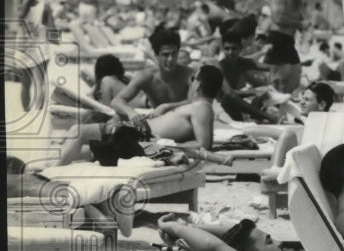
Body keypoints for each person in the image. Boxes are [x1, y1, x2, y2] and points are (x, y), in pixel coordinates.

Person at [60, 64, 225, 165]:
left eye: (193, 79)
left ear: (198, 85)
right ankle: (56, 168)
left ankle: (51, 173)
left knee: (78, 131)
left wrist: (165, 145)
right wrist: (166, 106)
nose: (191, 83)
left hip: (138, 138)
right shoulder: (197, 106)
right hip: (134, 134)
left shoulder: (202, 108)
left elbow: (204, 146)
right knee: (86, 147)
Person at [110, 28, 193, 123]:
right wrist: (131, 113)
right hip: (159, 123)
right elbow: (116, 101)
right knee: (117, 118)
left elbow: (198, 101)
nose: (170, 59)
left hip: (184, 122)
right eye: (165, 55)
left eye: (174, 54)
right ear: (156, 56)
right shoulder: (147, 76)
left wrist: (167, 106)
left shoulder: (188, 74)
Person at [214, 30, 277, 124]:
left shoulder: (243, 62)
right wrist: (253, 92)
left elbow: (271, 67)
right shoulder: (219, 66)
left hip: (237, 105)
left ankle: (255, 117)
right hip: (222, 107)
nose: (230, 52)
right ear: (222, 49)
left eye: (234, 49)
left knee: (264, 93)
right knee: (229, 97)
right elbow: (229, 93)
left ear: (240, 49)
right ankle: (267, 116)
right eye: (227, 49)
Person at [14, 0, 55, 112]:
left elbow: (19, 22)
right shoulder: (45, 7)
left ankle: (26, 114)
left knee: (25, 86)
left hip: (23, 49)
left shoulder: (18, 7)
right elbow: (52, 32)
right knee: (40, 85)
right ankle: (38, 118)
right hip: (40, 49)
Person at [266, 0, 306, 93]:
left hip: (288, 40)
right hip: (279, 39)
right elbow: (277, 18)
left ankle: (280, 110)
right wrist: (300, 23)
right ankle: (274, 111)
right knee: (282, 84)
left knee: (293, 79)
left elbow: (295, 13)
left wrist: (303, 27)